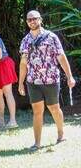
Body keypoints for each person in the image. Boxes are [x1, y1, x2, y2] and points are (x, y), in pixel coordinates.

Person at [18, 10, 76, 151]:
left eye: (35, 19)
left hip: (51, 79)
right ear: (26, 22)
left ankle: (61, 135)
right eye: (29, 19)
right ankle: (37, 143)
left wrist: (70, 76)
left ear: (40, 20)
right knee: (37, 111)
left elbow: (61, 57)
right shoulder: (26, 40)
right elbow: (23, 64)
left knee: (54, 109)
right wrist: (20, 83)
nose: (32, 21)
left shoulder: (51, 37)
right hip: (33, 81)